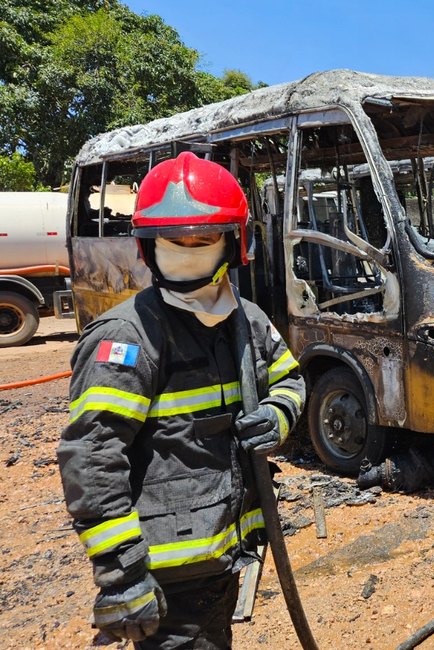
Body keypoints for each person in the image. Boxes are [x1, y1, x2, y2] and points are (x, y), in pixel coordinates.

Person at [57, 152, 305, 647]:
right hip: (167, 574)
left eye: (203, 240)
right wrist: (122, 575)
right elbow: (92, 456)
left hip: (226, 551)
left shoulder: (247, 320)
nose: (189, 251)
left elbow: (290, 381)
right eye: (176, 241)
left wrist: (278, 414)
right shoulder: (128, 338)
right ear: (149, 248)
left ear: (233, 245)